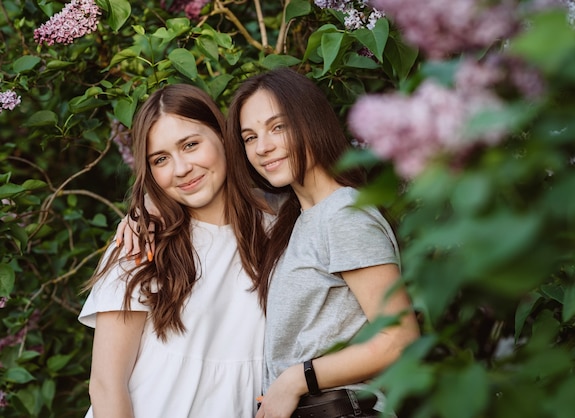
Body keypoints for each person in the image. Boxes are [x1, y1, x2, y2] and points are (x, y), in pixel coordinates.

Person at [225, 67, 420, 418]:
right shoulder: (299, 220)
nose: (263, 147)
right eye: (250, 137)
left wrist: (295, 380)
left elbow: (399, 338)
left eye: (277, 127)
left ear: (310, 122)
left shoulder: (344, 215)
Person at [79, 83, 269, 418]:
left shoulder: (278, 230)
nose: (181, 169)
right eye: (161, 159)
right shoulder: (141, 244)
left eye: (191, 145)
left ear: (224, 136)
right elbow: (107, 386)